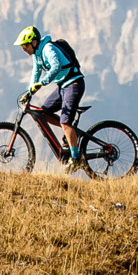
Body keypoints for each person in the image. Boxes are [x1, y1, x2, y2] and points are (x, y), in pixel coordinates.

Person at [16, 25, 87, 171]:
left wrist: (42, 83)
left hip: (73, 83)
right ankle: (71, 133)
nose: (23, 49)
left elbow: (55, 67)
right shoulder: (36, 55)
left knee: (65, 122)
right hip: (62, 86)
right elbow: (35, 74)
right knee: (43, 113)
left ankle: (76, 159)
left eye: (25, 46)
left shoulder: (48, 49)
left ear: (34, 43)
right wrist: (29, 92)